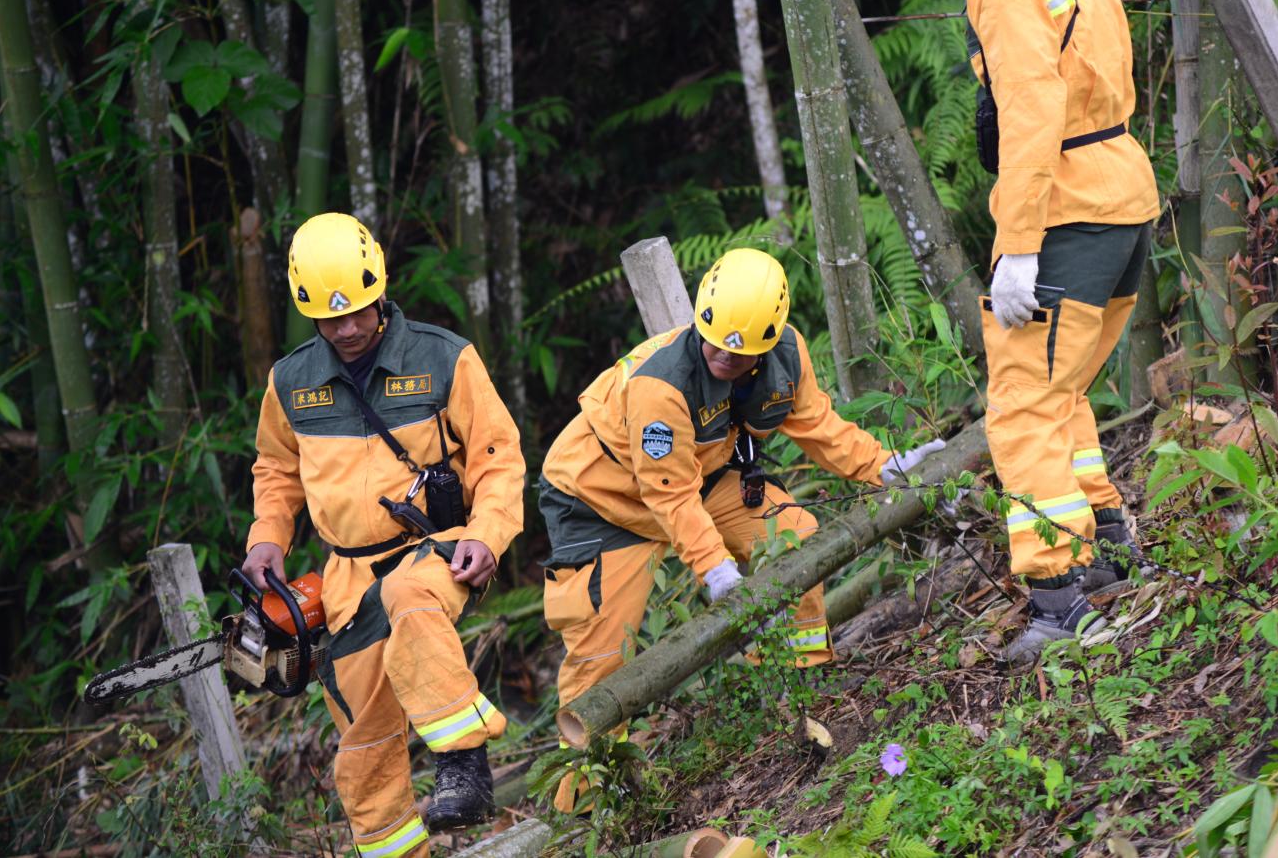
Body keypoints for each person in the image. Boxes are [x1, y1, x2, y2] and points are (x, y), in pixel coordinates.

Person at [885, 0, 1161, 661]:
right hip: (1124, 191)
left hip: (1068, 208)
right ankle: (1109, 551)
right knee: (1064, 389)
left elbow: (1033, 117)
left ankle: (1058, 600)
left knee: (1021, 408)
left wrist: (1018, 246)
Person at [537, 247, 943, 811]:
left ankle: (793, 691)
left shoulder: (787, 356)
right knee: (602, 654)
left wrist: (883, 466)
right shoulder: (660, 386)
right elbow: (666, 493)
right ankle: (585, 805)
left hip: (701, 475)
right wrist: (716, 568)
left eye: (739, 354)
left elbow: (817, 425)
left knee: (794, 537)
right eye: (714, 345)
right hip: (604, 503)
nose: (722, 358)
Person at [244, 212, 525, 855]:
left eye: (359, 313)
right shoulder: (291, 381)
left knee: (409, 598)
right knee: (364, 746)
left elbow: (498, 456)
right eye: (330, 318)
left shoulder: (443, 356)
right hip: (346, 578)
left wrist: (487, 534)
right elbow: (276, 469)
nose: (347, 329)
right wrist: (268, 538)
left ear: (380, 290)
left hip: (435, 549)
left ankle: (462, 760)